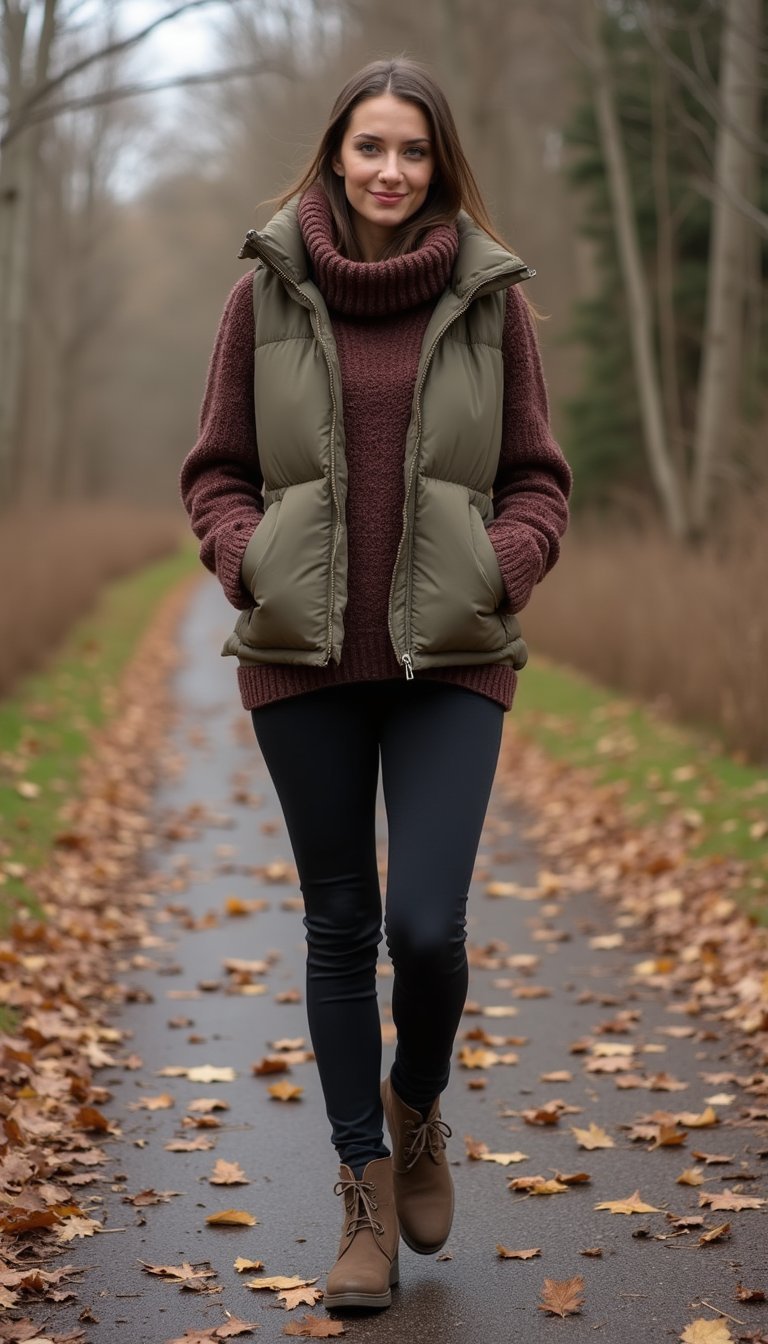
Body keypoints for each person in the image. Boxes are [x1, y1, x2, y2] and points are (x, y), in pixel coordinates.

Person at [180, 56, 572, 1312]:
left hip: (451, 658)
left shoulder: (490, 297)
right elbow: (214, 470)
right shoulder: (264, 295)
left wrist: (503, 570)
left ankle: (417, 1105)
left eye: (412, 150)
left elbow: (539, 477)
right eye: (369, 149)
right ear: (335, 158)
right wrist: (247, 562)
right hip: (304, 659)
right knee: (341, 924)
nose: (390, 171)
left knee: (430, 930)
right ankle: (362, 1198)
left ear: (439, 164)